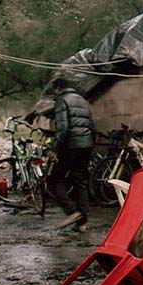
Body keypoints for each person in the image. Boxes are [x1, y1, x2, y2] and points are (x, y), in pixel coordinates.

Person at [48, 77, 94, 232]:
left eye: (54, 90)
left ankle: (72, 211)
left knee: (54, 180)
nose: (54, 94)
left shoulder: (62, 99)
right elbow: (92, 125)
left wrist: (54, 149)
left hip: (71, 145)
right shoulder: (82, 100)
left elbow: (63, 127)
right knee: (80, 180)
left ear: (58, 88)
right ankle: (82, 224)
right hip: (86, 145)